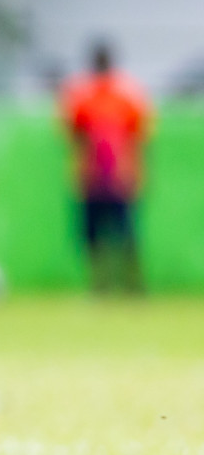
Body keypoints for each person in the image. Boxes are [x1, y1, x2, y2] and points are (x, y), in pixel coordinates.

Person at [60, 42, 150, 293]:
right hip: (92, 177)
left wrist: (137, 172)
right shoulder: (82, 96)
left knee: (126, 234)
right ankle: (100, 286)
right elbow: (73, 136)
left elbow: (137, 138)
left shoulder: (126, 96)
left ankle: (133, 285)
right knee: (92, 236)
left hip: (119, 176)